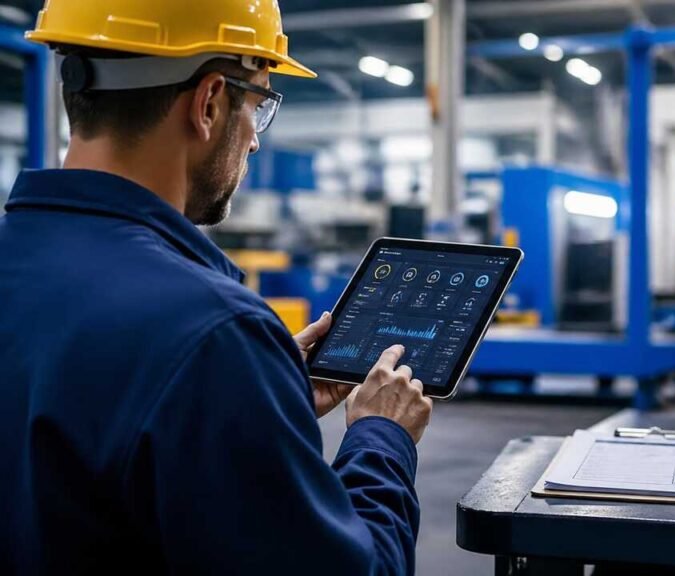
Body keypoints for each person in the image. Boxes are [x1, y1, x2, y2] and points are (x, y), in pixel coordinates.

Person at [0, 1, 432, 574]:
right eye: (258, 104)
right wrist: (381, 437)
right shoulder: (212, 335)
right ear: (207, 104)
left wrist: (263, 401)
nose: (253, 141)